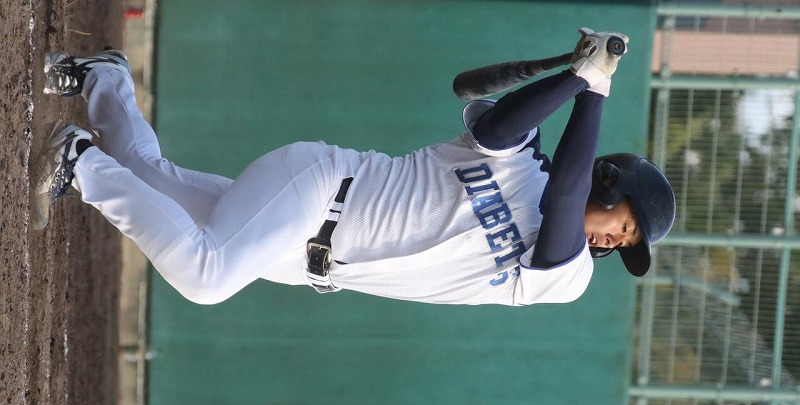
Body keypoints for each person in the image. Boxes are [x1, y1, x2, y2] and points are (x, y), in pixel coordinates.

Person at [40, 28, 675, 307]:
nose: (613, 242)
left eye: (624, 244)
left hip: (308, 262)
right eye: (625, 225)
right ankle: (79, 161)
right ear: (609, 182)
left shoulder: (566, 277)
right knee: (207, 276)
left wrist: (591, 86)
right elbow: (505, 131)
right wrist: (581, 80)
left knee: (147, 179)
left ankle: (105, 81)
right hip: (321, 189)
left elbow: (564, 199)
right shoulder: (523, 161)